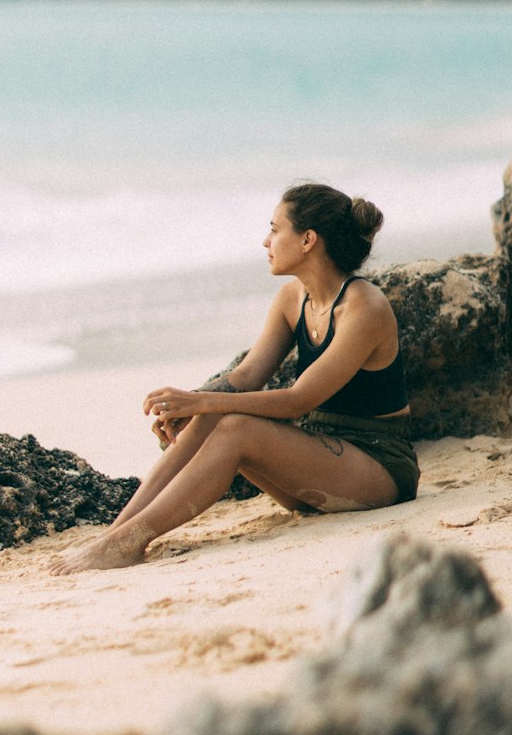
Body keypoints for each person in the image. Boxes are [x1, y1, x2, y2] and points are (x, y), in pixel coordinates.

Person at [49, 182, 418, 574]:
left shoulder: (364, 306)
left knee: (235, 427)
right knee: (212, 416)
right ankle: (114, 536)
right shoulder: (293, 299)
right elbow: (245, 377)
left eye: (275, 229)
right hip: (319, 460)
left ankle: (129, 541)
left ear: (308, 239)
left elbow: (298, 400)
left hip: (379, 466)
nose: (266, 241)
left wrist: (203, 402)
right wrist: (190, 404)